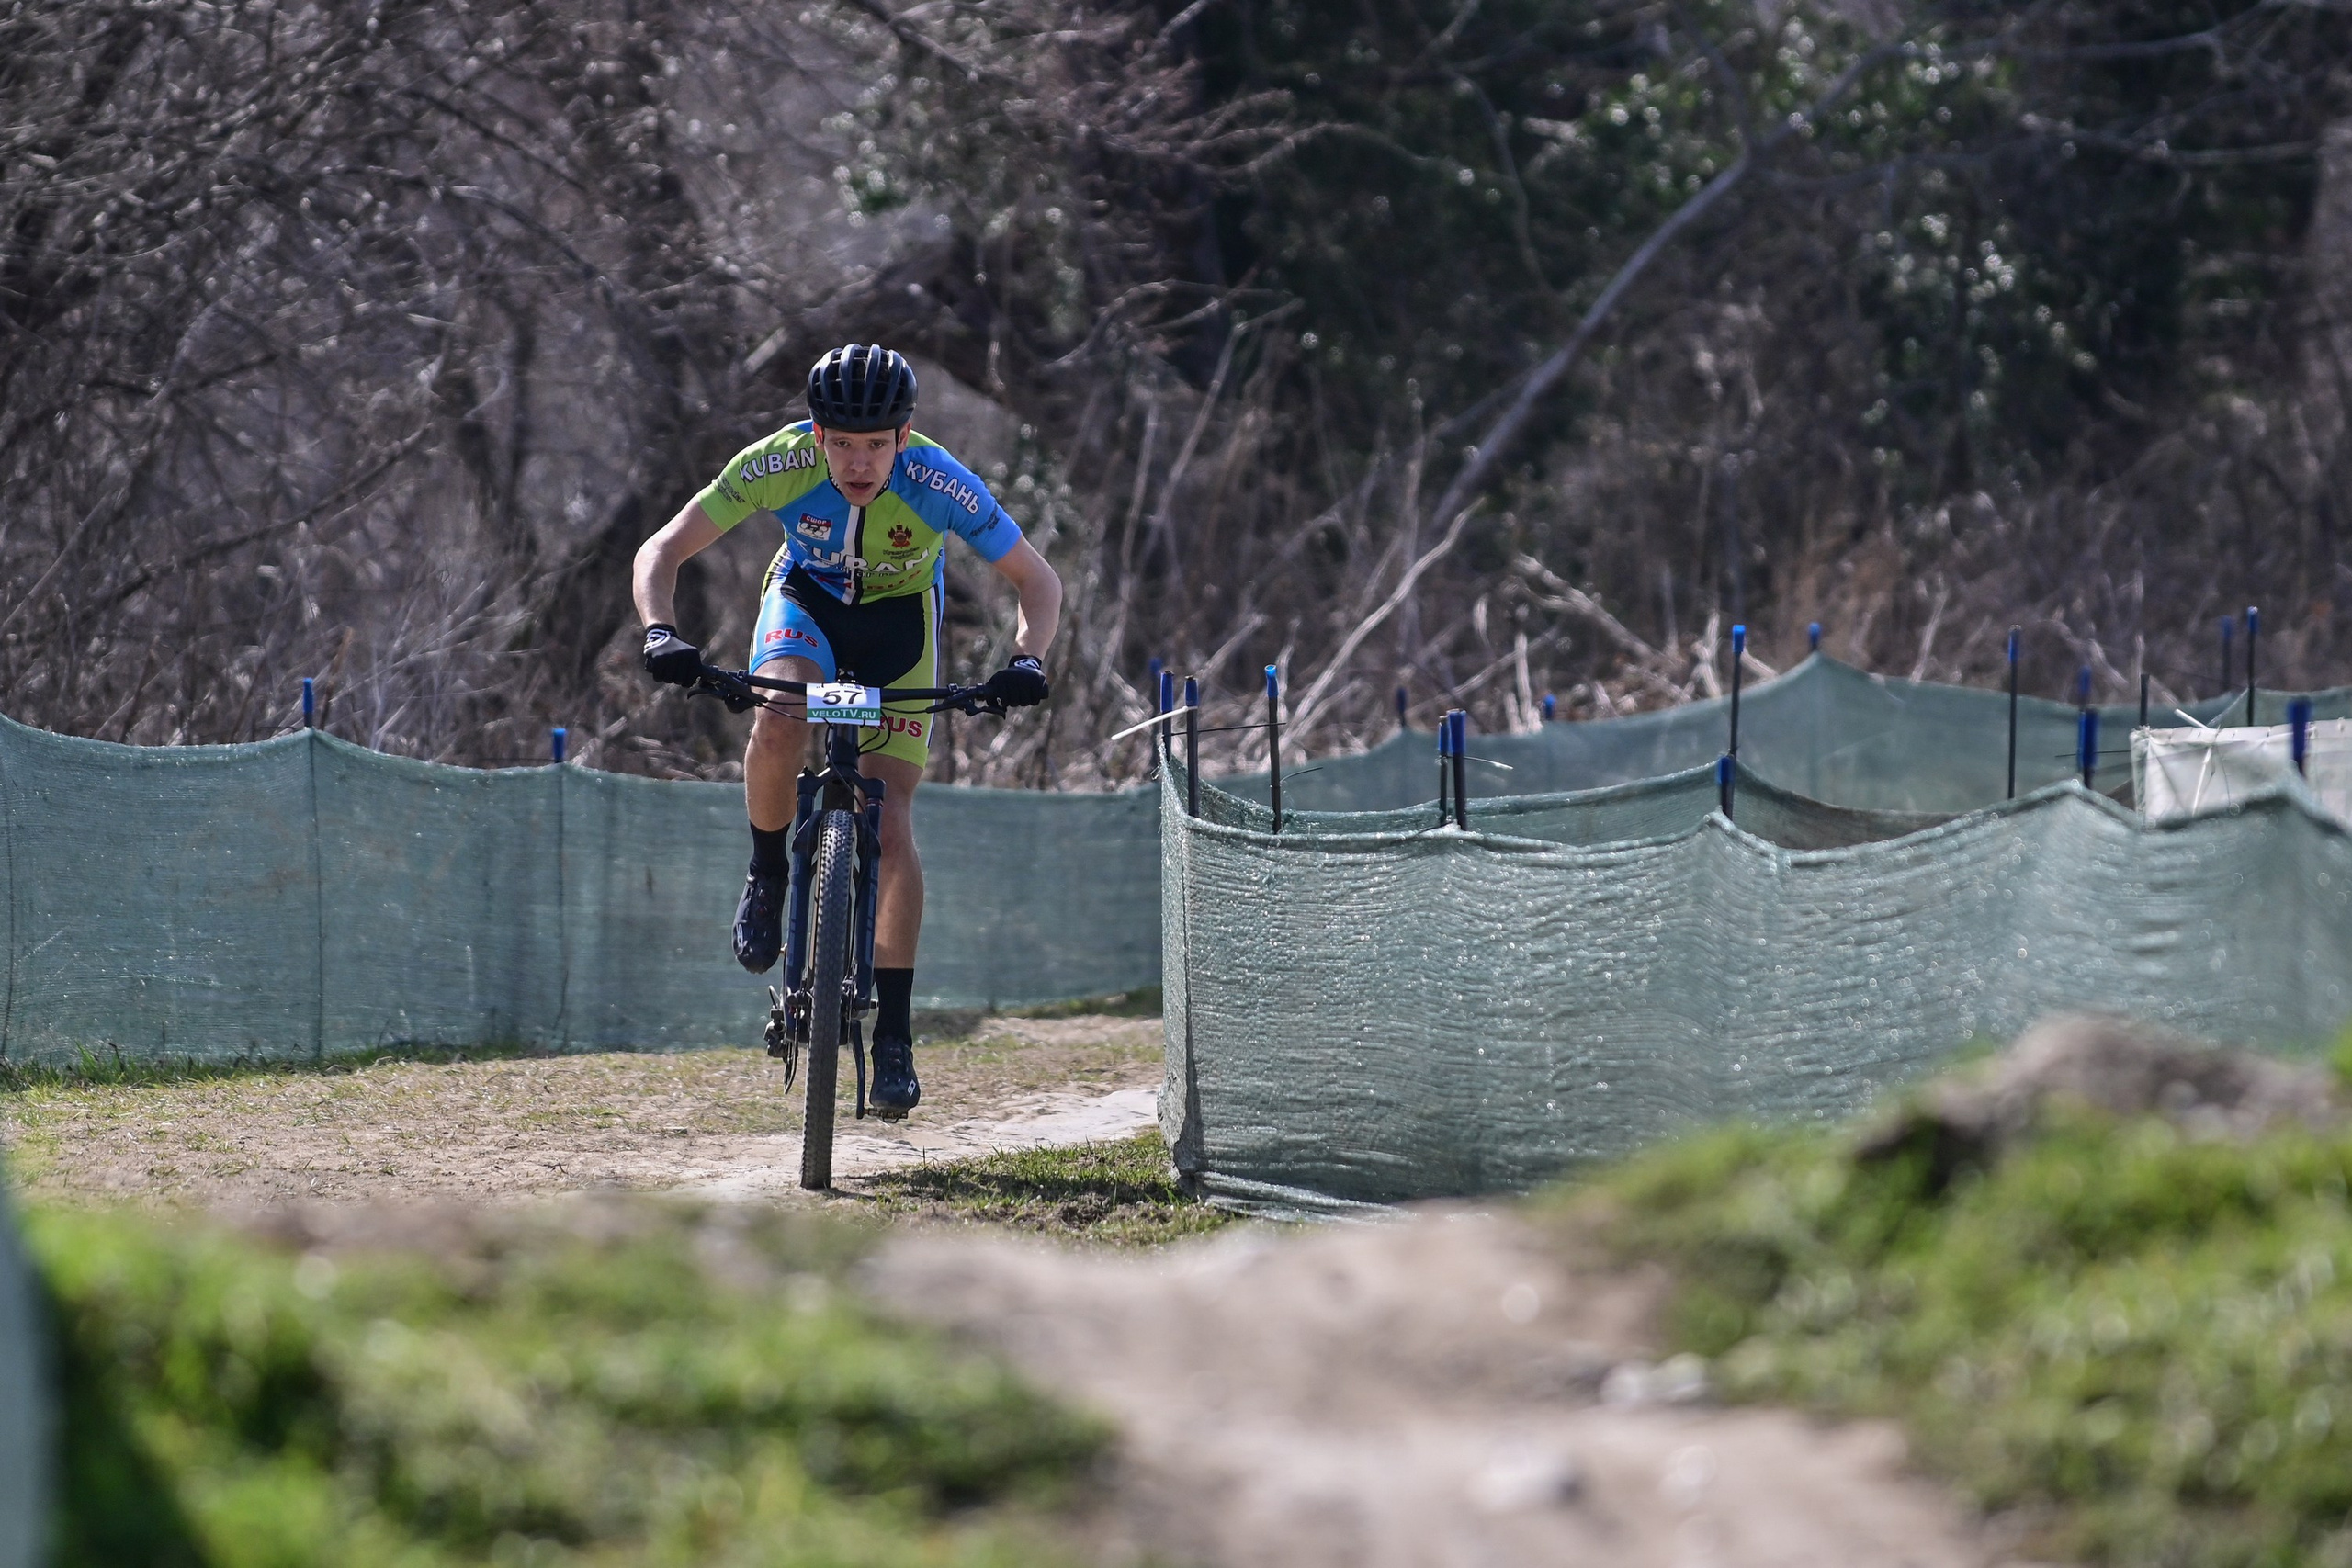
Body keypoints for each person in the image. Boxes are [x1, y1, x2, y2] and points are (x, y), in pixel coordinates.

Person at [630, 344, 1062, 1117]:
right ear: (816, 433)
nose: (859, 462)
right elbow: (661, 549)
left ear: (904, 436)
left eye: (877, 444)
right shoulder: (777, 463)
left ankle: (893, 1033)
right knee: (778, 712)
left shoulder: (938, 480)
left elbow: (1039, 580)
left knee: (890, 825)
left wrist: (1027, 659)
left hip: (901, 629)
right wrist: (661, 631)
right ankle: (769, 874)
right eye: (842, 443)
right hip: (807, 604)